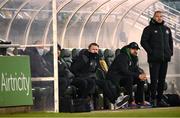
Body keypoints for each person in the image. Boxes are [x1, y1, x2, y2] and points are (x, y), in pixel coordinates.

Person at [70, 43, 129, 109]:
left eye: (96, 50)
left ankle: (116, 100)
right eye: (93, 49)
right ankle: (115, 101)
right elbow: (74, 69)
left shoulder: (96, 58)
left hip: (92, 78)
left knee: (107, 82)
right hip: (83, 78)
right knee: (98, 82)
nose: (95, 51)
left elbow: (96, 69)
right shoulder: (84, 57)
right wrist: (82, 76)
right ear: (89, 50)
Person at [141, 11, 173, 107]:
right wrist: (151, 52)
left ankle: (160, 100)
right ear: (154, 17)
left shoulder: (167, 29)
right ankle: (153, 100)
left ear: (163, 17)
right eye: (157, 16)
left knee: (162, 80)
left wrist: (170, 52)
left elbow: (170, 42)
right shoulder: (148, 29)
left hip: (165, 59)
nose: (159, 18)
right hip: (154, 59)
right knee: (154, 80)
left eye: (161, 16)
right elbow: (143, 42)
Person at [107, 42, 150, 108]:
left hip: (124, 77)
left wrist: (141, 75)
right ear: (128, 49)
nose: (135, 51)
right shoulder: (122, 56)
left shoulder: (134, 58)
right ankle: (130, 102)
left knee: (140, 80)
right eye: (133, 49)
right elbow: (124, 71)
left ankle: (140, 101)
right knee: (129, 78)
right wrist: (138, 75)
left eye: (136, 49)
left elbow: (135, 69)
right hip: (116, 78)